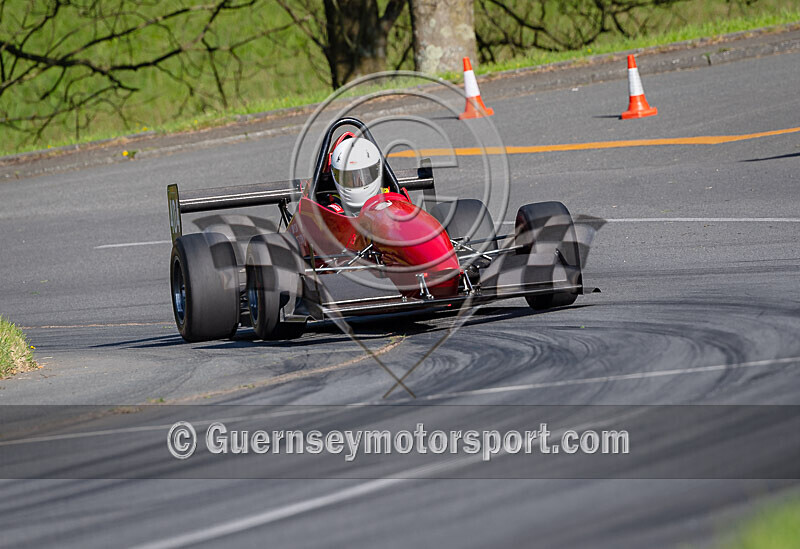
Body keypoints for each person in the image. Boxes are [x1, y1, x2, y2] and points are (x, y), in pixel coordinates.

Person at [327, 137, 387, 215]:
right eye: (348, 177)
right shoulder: (331, 210)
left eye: (364, 175)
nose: (357, 181)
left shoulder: (389, 197)